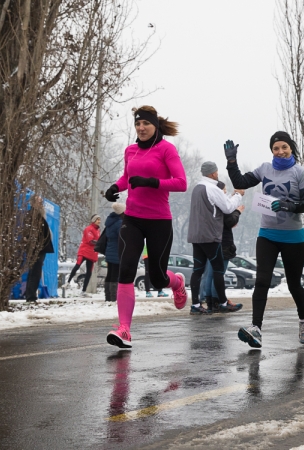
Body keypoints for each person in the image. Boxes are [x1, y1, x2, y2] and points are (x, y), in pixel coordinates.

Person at [103, 105, 188, 349]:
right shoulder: (130, 150)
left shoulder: (166, 149)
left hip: (159, 221)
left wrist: (151, 182)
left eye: (145, 124)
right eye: (138, 124)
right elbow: (127, 177)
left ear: (155, 126)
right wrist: (116, 187)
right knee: (126, 269)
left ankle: (177, 283)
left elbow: (181, 183)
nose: (141, 128)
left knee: (157, 278)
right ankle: (124, 330)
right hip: (132, 218)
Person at [224, 131, 304, 349]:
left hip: (293, 237)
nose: (280, 151)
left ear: (291, 147)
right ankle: (256, 329)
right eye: (276, 148)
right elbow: (240, 182)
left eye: (284, 147)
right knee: (262, 281)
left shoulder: (300, 172)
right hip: (267, 234)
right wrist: (231, 161)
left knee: (294, 285)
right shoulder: (265, 169)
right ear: (271, 150)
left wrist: (288, 205)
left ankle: (303, 319)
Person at [188, 161, 244, 316]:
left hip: (195, 235)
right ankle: (223, 303)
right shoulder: (212, 188)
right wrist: (238, 196)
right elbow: (227, 207)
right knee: (218, 270)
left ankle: (195, 304)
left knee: (197, 271)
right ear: (213, 173)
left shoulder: (197, 188)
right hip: (210, 235)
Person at [24, 195, 54, 303]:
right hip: (37, 249)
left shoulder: (37, 216)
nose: (41, 204)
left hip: (39, 248)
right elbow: (32, 234)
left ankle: (31, 294)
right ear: (33, 203)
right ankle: (30, 296)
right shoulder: (33, 216)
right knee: (34, 272)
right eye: (39, 202)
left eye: (41, 202)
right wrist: (37, 247)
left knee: (35, 272)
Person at [66, 214, 101, 297]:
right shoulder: (88, 229)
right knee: (77, 265)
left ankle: (83, 291)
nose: (99, 221)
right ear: (94, 220)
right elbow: (91, 241)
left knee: (89, 272)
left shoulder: (98, 231)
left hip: (92, 253)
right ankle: (68, 282)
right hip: (84, 251)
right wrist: (100, 243)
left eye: (99, 220)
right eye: (98, 219)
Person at [104, 202, 125, 303]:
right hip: (117, 251)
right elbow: (122, 237)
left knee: (109, 274)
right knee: (115, 275)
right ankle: (113, 298)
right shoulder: (119, 223)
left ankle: (108, 297)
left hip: (109, 250)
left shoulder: (110, 222)